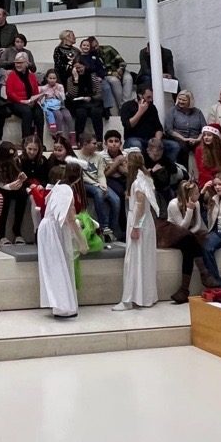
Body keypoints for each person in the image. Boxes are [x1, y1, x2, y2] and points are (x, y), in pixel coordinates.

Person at [113, 151, 159, 311]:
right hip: (146, 221)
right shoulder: (145, 178)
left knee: (133, 259)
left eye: (126, 162)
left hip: (139, 221)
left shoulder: (138, 182)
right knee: (144, 259)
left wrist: (135, 227)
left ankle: (128, 299)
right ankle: (145, 296)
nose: (124, 165)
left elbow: (140, 205)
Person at [37, 177, 82, 318]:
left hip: (50, 228)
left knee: (57, 266)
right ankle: (62, 306)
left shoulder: (57, 188)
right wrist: (82, 242)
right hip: (52, 230)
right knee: (58, 266)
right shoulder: (66, 191)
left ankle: (62, 305)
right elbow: (70, 218)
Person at [74, 135, 121, 242]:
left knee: (116, 200)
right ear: (85, 144)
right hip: (84, 184)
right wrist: (96, 185)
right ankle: (103, 226)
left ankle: (112, 229)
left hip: (98, 183)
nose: (97, 145)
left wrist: (103, 184)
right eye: (94, 143)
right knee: (99, 193)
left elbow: (100, 174)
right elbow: (81, 176)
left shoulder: (98, 157)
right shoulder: (76, 156)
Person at [120, 84, 180, 161]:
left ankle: (166, 167)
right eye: (148, 97)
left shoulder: (152, 107)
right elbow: (128, 125)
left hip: (151, 139)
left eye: (152, 97)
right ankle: (141, 167)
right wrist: (140, 112)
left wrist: (157, 140)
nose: (151, 100)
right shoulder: (127, 106)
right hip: (133, 138)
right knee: (136, 145)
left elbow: (158, 128)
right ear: (140, 96)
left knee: (174, 146)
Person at [0, 142, 28, 245]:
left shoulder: (16, 159)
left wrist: (20, 179)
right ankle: (0, 234)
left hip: (11, 184)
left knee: (23, 194)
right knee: (4, 198)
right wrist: (8, 187)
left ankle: (17, 231)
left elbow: (17, 173)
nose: (13, 158)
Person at [5, 52, 47, 138]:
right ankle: (26, 140)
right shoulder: (11, 75)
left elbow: (35, 92)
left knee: (39, 113)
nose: (18, 65)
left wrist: (34, 100)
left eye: (20, 63)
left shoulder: (32, 76)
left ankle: (39, 141)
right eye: (16, 63)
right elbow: (9, 92)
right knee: (27, 112)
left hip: (30, 102)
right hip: (15, 102)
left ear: (26, 63)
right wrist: (21, 101)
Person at [65, 60, 104, 146]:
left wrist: (91, 98)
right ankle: (79, 140)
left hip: (93, 101)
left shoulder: (92, 76)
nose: (79, 70)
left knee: (96, 112)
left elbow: (99, 93)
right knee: (81, 113)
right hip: (78, 103)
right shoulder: (70, 79)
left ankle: (99, 140)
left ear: (85, 66)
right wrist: (76, 80)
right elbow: (72, 95)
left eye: (80, 67)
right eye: (76, 68)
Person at [166, 90, 206, 168]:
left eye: (184, 100)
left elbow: (204, 129)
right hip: (179, 138)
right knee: (182, 148)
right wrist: (183, 139)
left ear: (190, 101)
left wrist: (198, 139)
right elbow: (169, 130)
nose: (181, 101)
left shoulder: (197, 112)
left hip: (196, 138)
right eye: (179, 99)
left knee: (203, 149)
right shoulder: (172, 111)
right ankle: (185, 172)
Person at [144, 134, 183, 214]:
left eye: (159, 155)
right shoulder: (144, 158)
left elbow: (174, 169)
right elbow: (142, 175)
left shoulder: (163, 158)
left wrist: (163, 168)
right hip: (150, 185)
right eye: (155, 155)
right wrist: (152, 171)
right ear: (148, 151)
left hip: (165, 184)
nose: (157, 158)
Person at [89, 37, 133, 107]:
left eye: (96, 46)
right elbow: (100, 71)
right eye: (93, 48)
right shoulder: (92, 56)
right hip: (108, 74)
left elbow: (121, 61)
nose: (96, 48)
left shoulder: (108, 48)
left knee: (128, 78)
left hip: (118, 69)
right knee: (114, 81)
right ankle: (122, 106)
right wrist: (112, 73)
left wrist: (121, 69)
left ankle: (126, 104)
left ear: (98, 43)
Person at [102, 129, 129, 236]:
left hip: (125, 179)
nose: (114, 144)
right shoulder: (101, 156)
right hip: (109, 181)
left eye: (116, 141)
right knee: (120, 193)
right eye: (110, 141)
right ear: (105, 143)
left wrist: (113, 166)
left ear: (121, 143)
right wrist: (118, 163)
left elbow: (128, 173)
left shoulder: (126, 154)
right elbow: (105, 175)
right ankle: (122, 230)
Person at [39, 68, 75, 141]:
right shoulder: (43, 88)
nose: (52, 80)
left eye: (54, 78)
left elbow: (63, 99)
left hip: (61, 105)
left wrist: (57, 94)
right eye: (50, 78)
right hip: (52, 108)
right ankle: (58, 137)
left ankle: (73, 138)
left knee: (68, 116)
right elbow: (40, 100)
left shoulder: (60, 86)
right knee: (59, 115)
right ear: (47, 78)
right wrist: (44, 98)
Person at [193, 124, 221, 193]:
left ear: (216, 137)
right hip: (208, 182)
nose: (206, 137)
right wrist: (215, 181)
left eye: (209, 135)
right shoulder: (199, 150)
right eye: (204, 135)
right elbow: (203, 171)